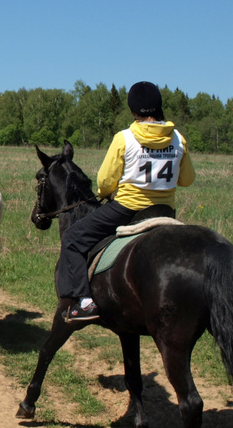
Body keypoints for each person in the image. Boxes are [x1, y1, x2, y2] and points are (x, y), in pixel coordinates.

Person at [59, 81, 195, 321]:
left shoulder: (124, 138)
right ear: (158, 107)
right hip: (165, 211)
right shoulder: (178, 139)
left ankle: (84, 301)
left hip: (127, 209)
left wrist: (107, 191)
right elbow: (187, 179)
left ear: (133, 111)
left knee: (73, 237)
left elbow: (104, 182)